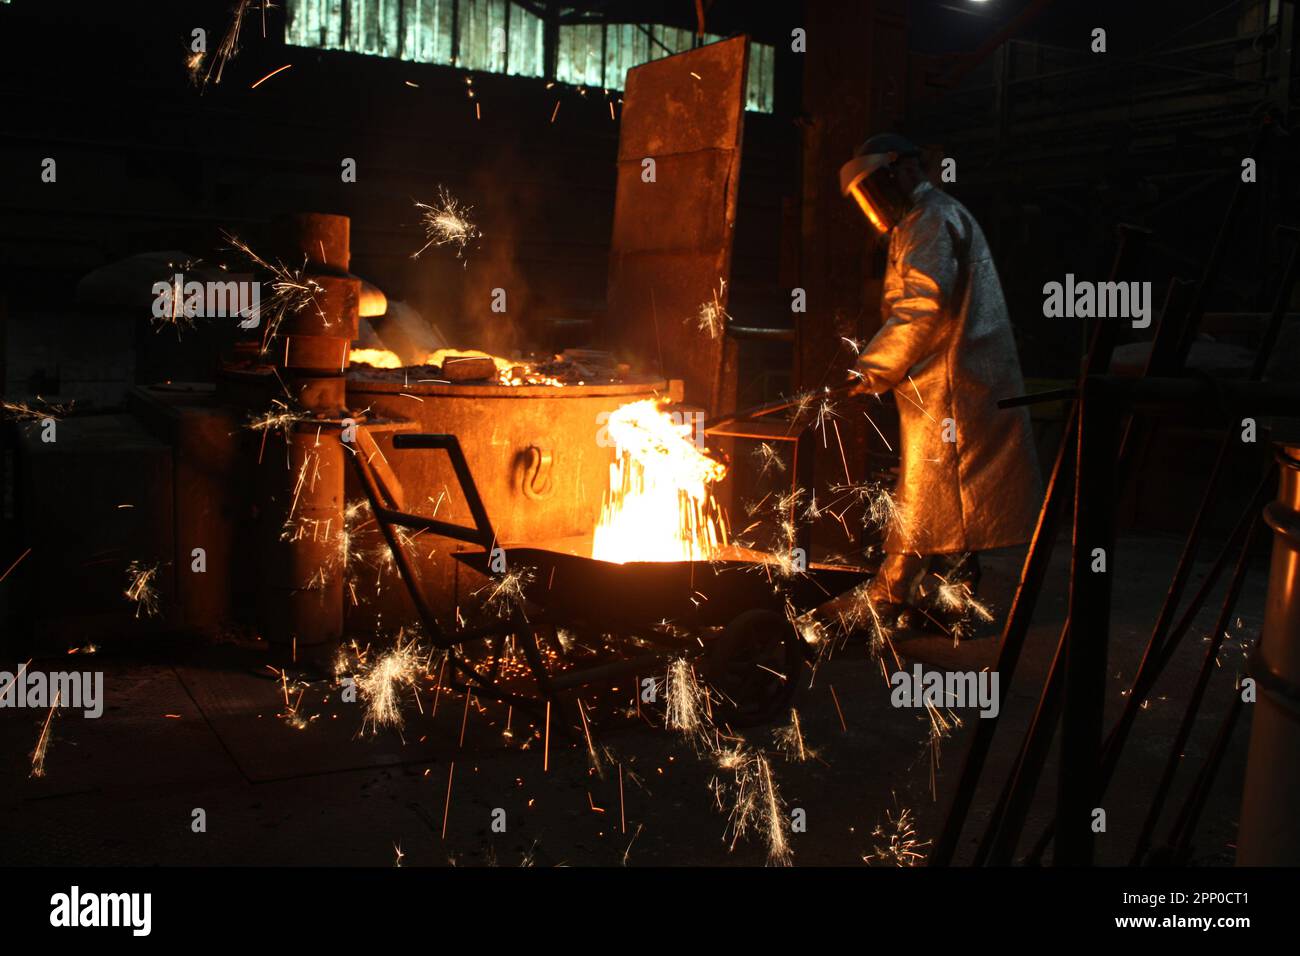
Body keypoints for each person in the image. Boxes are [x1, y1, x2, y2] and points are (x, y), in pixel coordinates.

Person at [838, 133, 1042, 628]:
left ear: (906, 170)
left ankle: (944, 607)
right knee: (942, 499)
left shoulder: (930, 219)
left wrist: (871, 368)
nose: (875, 206)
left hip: (955, 384)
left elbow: (923, 306)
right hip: (948, 379)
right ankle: (925, 600)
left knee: (946, 498)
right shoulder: (921, 219)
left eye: (875, 189)